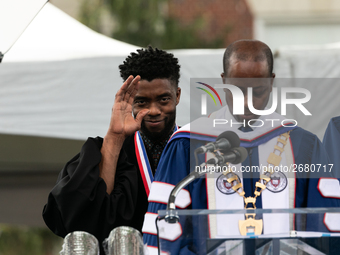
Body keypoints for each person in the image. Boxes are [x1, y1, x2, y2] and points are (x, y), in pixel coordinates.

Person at [143, 40, 339, 254]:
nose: (247, 101)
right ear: (224, 81)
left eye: (258, 91)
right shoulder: (188, 144)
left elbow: (327, 229)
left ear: (271, 82)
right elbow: (164, 238)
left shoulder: (303, 146)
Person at [42, 46, 181, 251]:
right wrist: (115, 137)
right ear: (130, 101)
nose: (153, 110)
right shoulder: (114, 150)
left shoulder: (197, 149)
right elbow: (82, 219)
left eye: (163, 99)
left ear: (177, 96)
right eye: (142, 101)